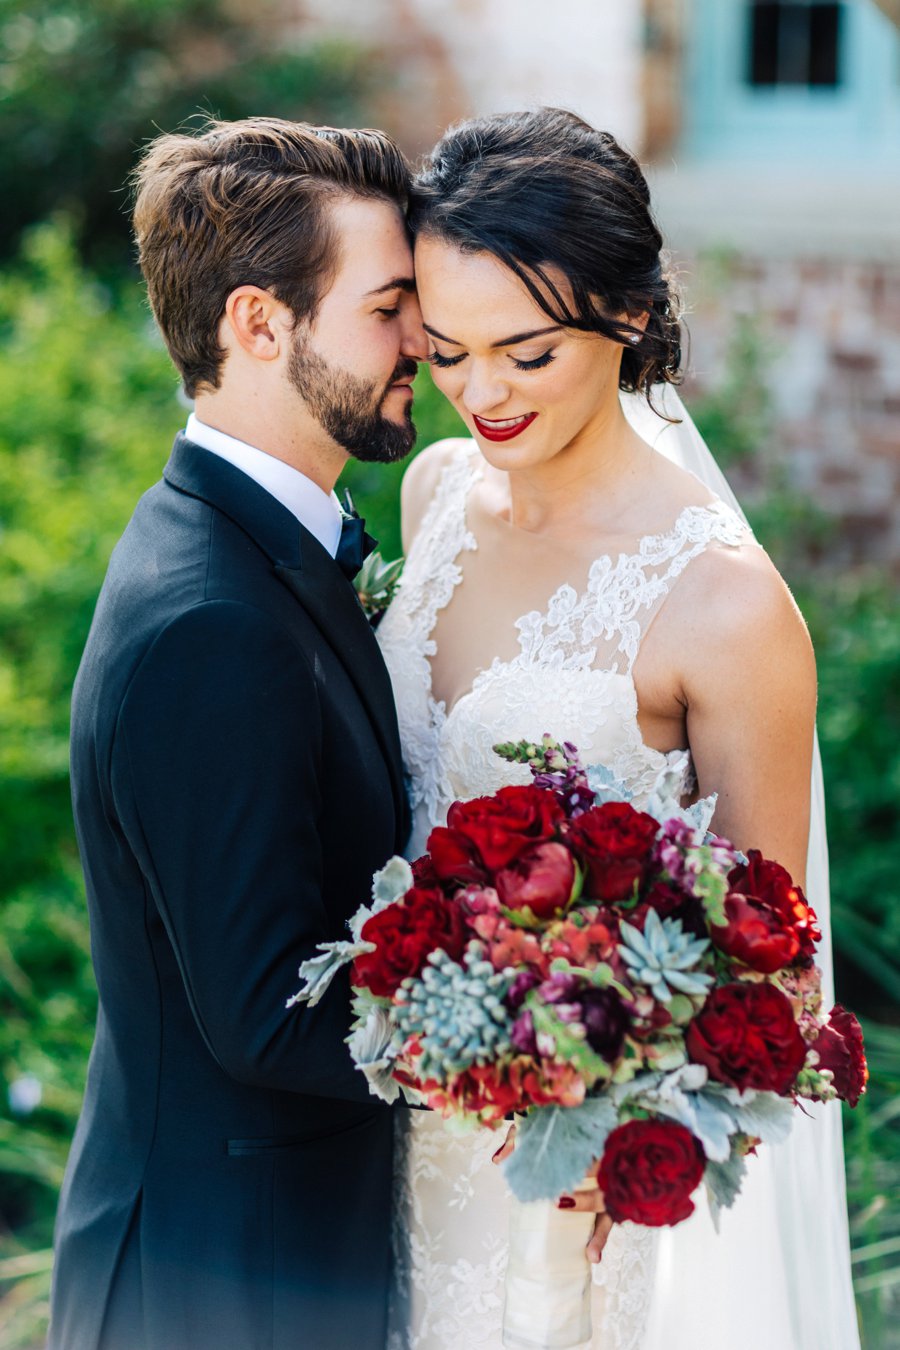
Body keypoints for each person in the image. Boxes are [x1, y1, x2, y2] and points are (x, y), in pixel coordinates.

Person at [376, 108, 859, 1350]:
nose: (480, 394)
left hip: (592, 1199)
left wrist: (598, 1112)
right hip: (396, 1148)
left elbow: (778, 974)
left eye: (527, 355)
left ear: (629, 318)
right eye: (445, 351)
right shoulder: (433, 497)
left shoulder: (725, 605)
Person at [49, 116, 426, 1350]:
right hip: (224, 1287)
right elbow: (270, 1011)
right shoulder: (210, 621)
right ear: (258, 324)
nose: (423, 343)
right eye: (389, 308)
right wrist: (542, 1026)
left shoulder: (262, 546)